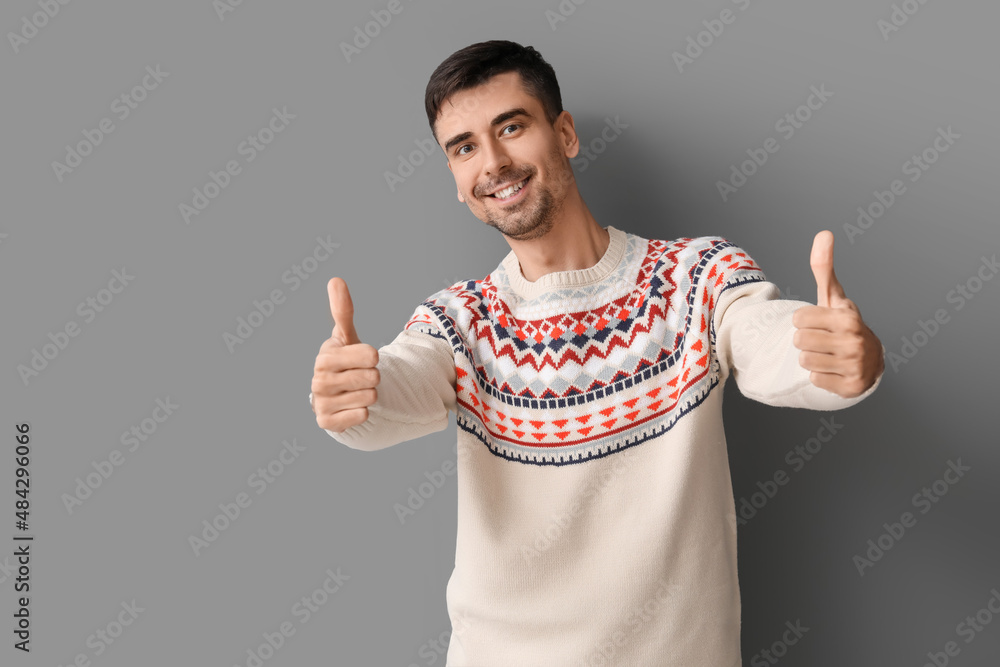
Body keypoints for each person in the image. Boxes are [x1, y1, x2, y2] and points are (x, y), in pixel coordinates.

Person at [310, 40, 885, 666]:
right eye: (464, 147)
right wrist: (355, 396)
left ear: (565, 134)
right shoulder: (458, 322)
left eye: (511, 127)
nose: (493, 162)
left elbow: (771, 340)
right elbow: (395, 386)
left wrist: (837, 359)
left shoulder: (695, 277)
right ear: (455, 179)